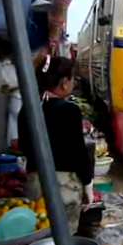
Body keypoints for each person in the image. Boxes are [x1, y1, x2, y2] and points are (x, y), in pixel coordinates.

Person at [18, 55, 93, 234]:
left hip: (35, 183)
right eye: (72, 79)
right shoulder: (69, 111)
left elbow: (23, 147)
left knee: (37, 236)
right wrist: (88, 185)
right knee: (62, 239)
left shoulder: (27, 108)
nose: (73, 83)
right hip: (64, 186)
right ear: (64, 82)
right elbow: (78, 154)